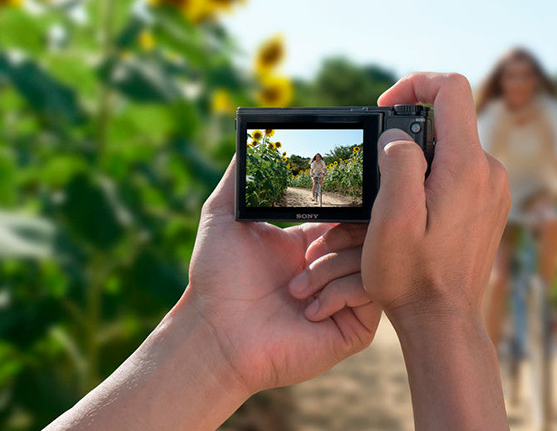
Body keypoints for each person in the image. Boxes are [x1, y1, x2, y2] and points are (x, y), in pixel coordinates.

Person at [44, 72, 512, 431]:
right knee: (316, 190)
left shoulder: (322, 164)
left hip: (237, 321)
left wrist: (215, 341)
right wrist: (443, 313)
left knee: (322, 190)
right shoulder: (313, 163)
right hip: (306, 202)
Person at [476, 47, 557, 345]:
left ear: (536, 79)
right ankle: (489, 360)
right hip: (501, 194)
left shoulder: (551, 110)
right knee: (499, 279)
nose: (519, 83)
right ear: (501, 81)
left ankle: (545, 300)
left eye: (526, 75)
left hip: (538, 190)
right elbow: (483, 165)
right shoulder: (493, 115)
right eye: (512, 76)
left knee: (552, 220)